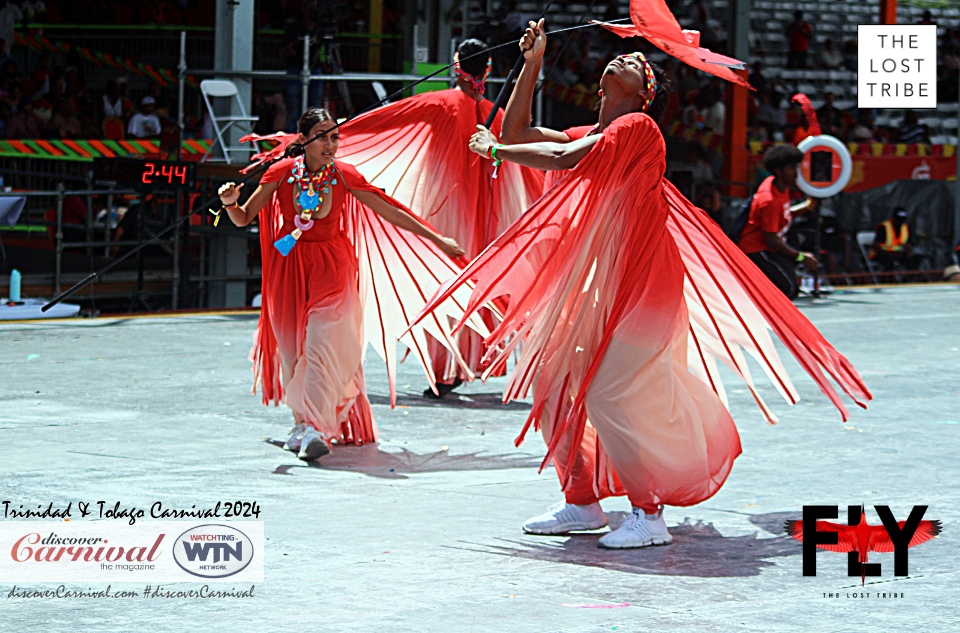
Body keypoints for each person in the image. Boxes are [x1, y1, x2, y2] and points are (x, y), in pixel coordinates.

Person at [417, 20, 870, 550]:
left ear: (643, 95)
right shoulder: (590, 133)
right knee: (553, 386)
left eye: (638, 65)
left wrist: (493, 152)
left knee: (611, 390)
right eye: (624, 59)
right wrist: (533, 61)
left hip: (644, 281)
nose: (625, 59)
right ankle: (582, 501)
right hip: (597, 285)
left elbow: (543, 155)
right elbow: (519, 133)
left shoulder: (637, 130)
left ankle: (649, 513)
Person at [241, 39, 544, 398]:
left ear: (456, 65)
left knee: (443, 283)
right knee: (475, 282)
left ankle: (446, 369)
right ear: (488, 71)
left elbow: (376, 125)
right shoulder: (497, 113)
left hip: (445, 212)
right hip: (486, 214)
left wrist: (298, 143)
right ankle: (467, 360)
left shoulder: (439, 103)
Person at [217, 108, 471, 461]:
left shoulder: (343, 175)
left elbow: (389, 209)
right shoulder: (280, 173)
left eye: (334, 136)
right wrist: (230, 203)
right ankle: (302, 423)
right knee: (292, 353)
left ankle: (316, 430)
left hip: (332, 268)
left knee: (322, 341)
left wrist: (437, 238)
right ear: (303, 139)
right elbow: (244, 217)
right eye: (322, 135)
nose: (330, 143)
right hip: (289, 268)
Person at [738, 145, 818, 299]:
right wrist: (801, 257)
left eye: (796, 167)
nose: (796, 172)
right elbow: (771, 239)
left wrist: (807, 207)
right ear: (778, 170)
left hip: (771, 247)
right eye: (790, 168)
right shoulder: (769, 200)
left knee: (790, 288)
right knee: (788, 289)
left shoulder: (779, 186)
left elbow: (784, 215)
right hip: (757, 250)